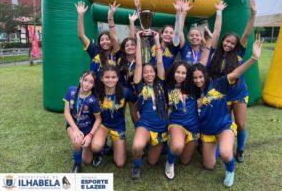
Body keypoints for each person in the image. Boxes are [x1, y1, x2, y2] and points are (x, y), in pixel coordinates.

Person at [192, 38, 261, 187]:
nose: (198, 80)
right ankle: (214, 146)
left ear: (206, 75)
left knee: (225, 154)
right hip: (208, 132)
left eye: (200, 76)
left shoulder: (219, 83)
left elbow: (236, 73)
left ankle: (230, 170)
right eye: (195, 78)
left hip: (224, 127)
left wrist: (254, 58)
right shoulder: (192, 93)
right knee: (209, 165)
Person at [209, 0, 257, 163]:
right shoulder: (215, 54)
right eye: (227, 41)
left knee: (241, 124)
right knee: (222, 124)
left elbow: (246, 34)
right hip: (223, 96)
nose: (228, 44)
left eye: (232, 43)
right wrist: (219, 12)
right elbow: (216, 32)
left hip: (239, 94)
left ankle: (240, 149)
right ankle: (216, 149)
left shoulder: (238, 54)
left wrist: (253, 14)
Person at [164, 28, 213, 180]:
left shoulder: (192, 86)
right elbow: (165, 107)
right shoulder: (168, 87)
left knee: (185, 161)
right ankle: (169, 162)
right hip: (177, 123)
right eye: (177, 72)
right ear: (173, 73)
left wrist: (210, 41)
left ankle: (178, 149)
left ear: (188, 75)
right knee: (177, 147)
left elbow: (203, 63)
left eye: (183, 73)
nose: (180, 75)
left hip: (193, 126)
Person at [131, 30, 168, 180]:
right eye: (145, 72)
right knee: (137, 146)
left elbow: (159, 61)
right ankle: (136, 166)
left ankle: (159, 144)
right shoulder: (139, 85)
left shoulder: (160, 82)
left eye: (151, 72)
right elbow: (139, 63)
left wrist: (157, 40)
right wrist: (138, 39)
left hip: (161, 125)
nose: (148, 74)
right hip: (145, 124)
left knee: (152, 162)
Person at [91, 65, 136, 167]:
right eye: (107, 77)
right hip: (102, 125)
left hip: (118, 127)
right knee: (95, 147)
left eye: (113, 77)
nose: (110, 80)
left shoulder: (125, 92)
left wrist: (138, 114)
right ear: (101, 79)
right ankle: (99, 151)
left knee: (120, 163)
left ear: (118, 78)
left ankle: (115, 145)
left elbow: (135, 103)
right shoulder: (97, 92)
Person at [63, 71, 102, 173]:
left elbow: (98, 119)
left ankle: (95, 150)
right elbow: (66, 112)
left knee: (88, 160)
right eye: (85, 80)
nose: (87, 84)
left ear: (93, 85)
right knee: (77, 141)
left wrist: (90, 135)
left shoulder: (93, 100)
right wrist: (75, 129)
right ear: (80, 79)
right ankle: (77, 164)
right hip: (73, 127)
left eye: (91, 82)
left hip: (87, 129)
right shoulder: (71, 91)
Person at [133, 0, 181, 70]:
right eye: (166, 32)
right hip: (151, 75)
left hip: (165, 77)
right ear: (161, 35)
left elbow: (178, 30)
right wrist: (138, 8)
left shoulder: (174, 47)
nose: (168, 34)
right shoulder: (154, 40)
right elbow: (145, 27)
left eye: (171, 33)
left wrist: (178, 12)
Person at [75, 1, 120, 78]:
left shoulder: (116, 52)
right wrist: (80, 15)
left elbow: (114, 37)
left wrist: (110, 16)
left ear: (111, 41)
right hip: (96, 87)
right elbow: (81, 35)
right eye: (102, 40)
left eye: (107, 39)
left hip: (111, 86)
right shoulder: (95, 50)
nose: (104, 41)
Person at [176, 0, 227, 64]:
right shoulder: (185, 47)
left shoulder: (207, 49)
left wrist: (219, 11)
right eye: (192, 35)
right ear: (188, 37)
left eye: (197, 35)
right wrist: (184, 12)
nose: (194, 37)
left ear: (201, 37)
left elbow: (217, 32)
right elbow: (179, 30)